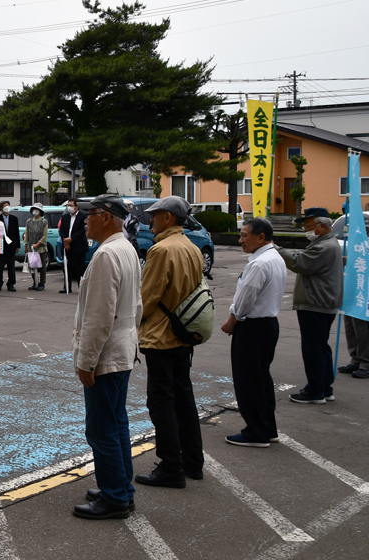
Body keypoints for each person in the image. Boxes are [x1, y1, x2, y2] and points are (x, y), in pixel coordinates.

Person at [71, 194, 142, 519]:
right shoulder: (126, 248)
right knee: (116, 424)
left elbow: (99, 317)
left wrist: (86, 361)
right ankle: (121, 488)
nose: (86, 219)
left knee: (101, 429)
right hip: (123, 350)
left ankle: (114, 497)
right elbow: (136, 306)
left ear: (108, 217)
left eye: (91, 214)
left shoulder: (106, 254)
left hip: (106, 355)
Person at [136, 195, 204, 489]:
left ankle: (170, 466)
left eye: (154, 215)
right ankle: (192, 461)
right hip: (184, 332)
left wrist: (130, 323)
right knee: (184, 398)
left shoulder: (161, 249)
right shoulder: (191, 247)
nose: (150, 220)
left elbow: (146, 298)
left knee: (160, 402)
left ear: (167, 217)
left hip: (161, 335)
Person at [220, 217, 287, 448]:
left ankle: (256, 432)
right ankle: (267, 428)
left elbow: (246, 298)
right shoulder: (274, 257)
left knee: (248, 381)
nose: (240, 240)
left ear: (261, 237)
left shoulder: (259, 264)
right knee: (261, 379)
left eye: (244, 236)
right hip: (267, 325)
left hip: (253, 327)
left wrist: (232, 320)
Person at [277, 207, 344, 402]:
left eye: (309, 226)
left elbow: (299, 262)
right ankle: (324, 387)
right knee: (321, 347)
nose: (306, 230)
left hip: (316, 303)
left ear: (322, 226)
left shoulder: (324, 247)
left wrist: (277, 249)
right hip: (323, 302)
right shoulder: (327, 244)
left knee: (313, 348)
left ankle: (315, 390)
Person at [0, 201, 20, 292]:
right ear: (1, 209)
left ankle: (11, 284)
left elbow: (16, 233)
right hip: (1, 246)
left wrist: (17, 246)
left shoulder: (14, 218)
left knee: (11, 267)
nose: (7, 207)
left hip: (11, 246)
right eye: (5, 206)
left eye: (8, 206)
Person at [59, 198, 88, 294]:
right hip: (67, 246)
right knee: (66, 267)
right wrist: (66, 242)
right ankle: (67, 287)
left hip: (78, 246)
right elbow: (62, 230)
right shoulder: (65, 217)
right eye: (68, 205)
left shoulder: (83, 217)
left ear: (77, 207)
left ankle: (81, 287)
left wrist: (71, 239)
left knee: (79, 268)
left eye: (71, 205)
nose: (69, 207)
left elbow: (82, 231)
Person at [24, 203, 49, 291]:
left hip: (41, 248)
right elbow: (26, 234)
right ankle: (35, 282)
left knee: (42, 266)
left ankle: (42, 283)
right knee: (32, 266)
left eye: (37, 209)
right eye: (34, 209)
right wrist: (26, 245)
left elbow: (45, 236)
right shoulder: (29, 221)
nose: (35, 211)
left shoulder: (44, 221)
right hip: (31, 247)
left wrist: (37, 244)